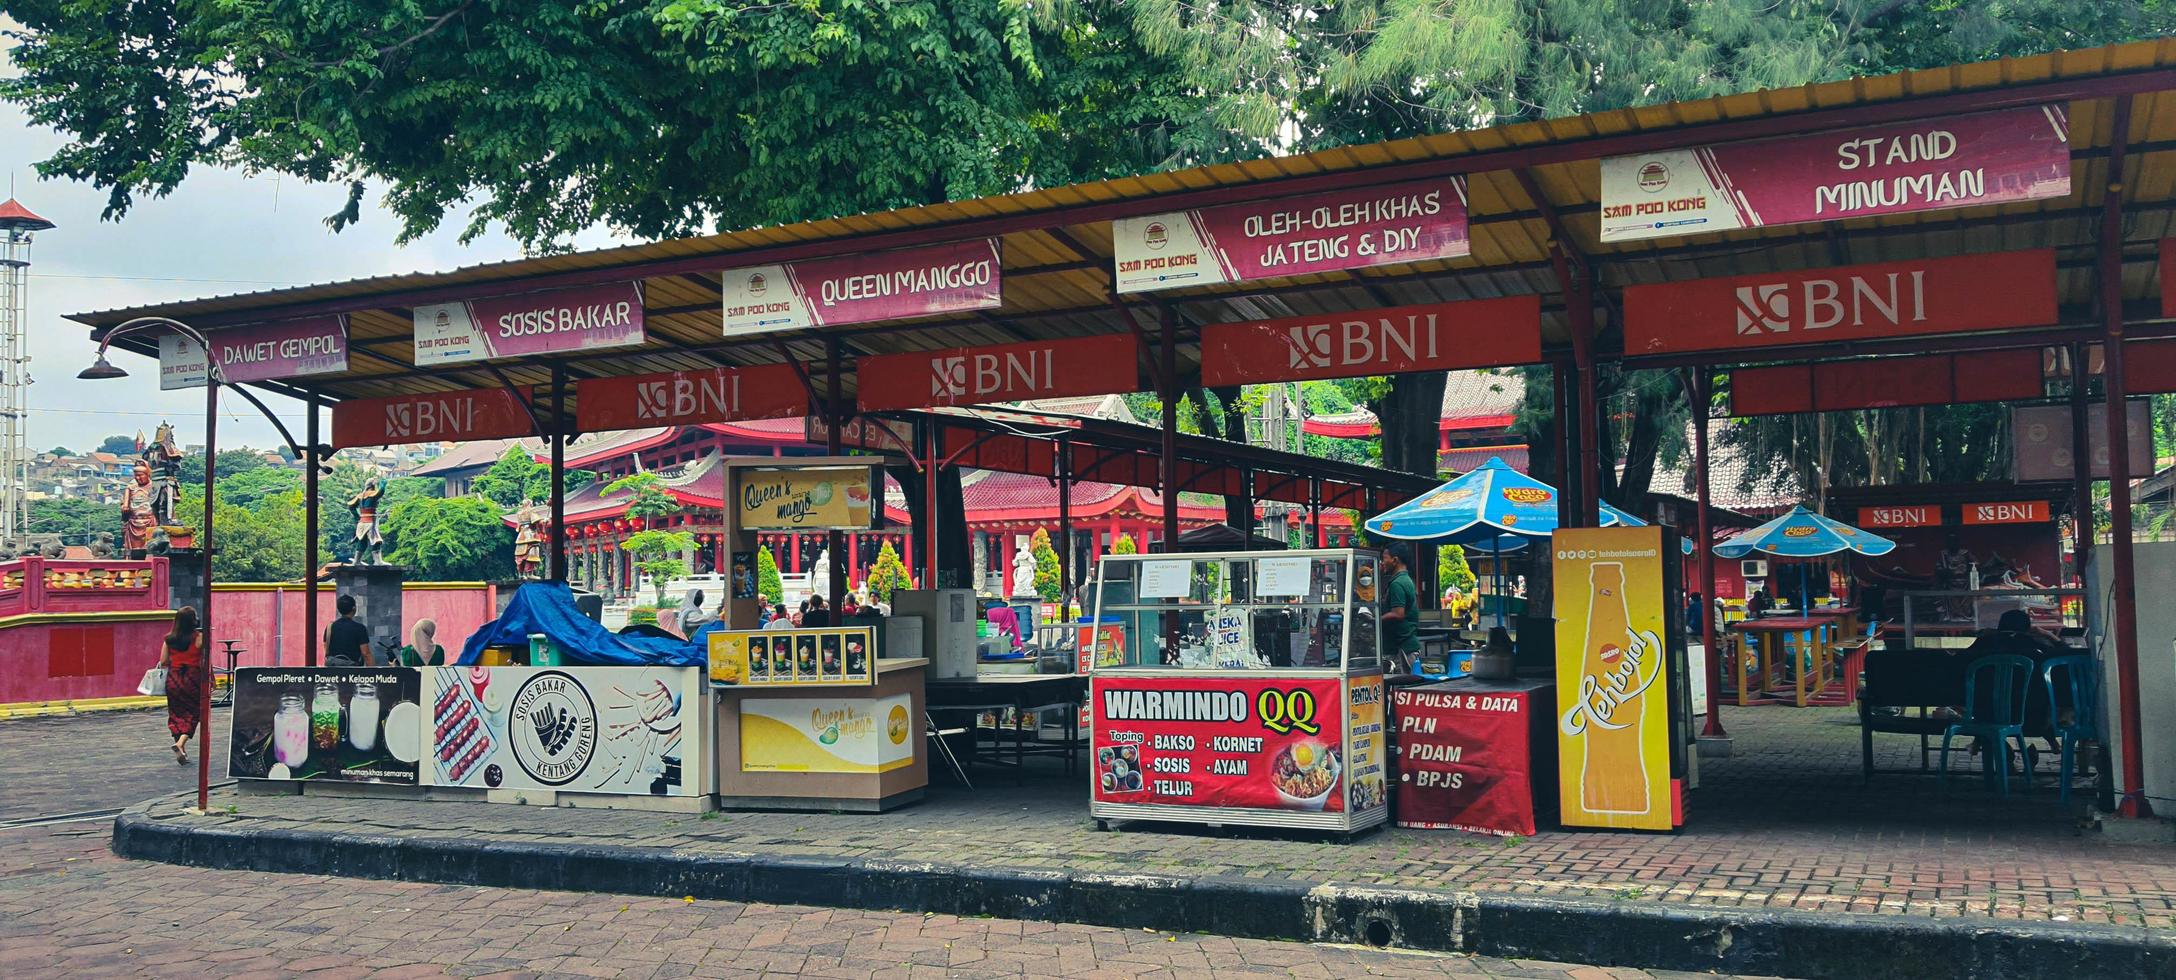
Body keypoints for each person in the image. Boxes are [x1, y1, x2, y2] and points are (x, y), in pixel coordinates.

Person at [160, 606, 205, 765]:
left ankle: (182, 751)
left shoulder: (169, 639)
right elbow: (205, 661)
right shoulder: (199, 637)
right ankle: (181, 744)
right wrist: (210, 679)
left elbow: (164, 661)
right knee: (194, 712)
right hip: (192, 679)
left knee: (176, 713)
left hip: (174, 678)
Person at [1379, 546, 1421, 668]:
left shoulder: (1397, 584)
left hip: (1402, 650)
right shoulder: (1406, 579)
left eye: (1384, 558)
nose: (1382, 563)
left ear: (1395, 560)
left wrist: (1376, 620)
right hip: (1405, 646)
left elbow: (1398, 613)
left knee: (1401, 685)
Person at [325, 594, 372, 666]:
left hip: (332, 671)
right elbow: (366, 653)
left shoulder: (330, 627)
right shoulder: (360, 628)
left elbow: (326, 648)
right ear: (354, 608)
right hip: (352, 672)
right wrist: (373, 672)